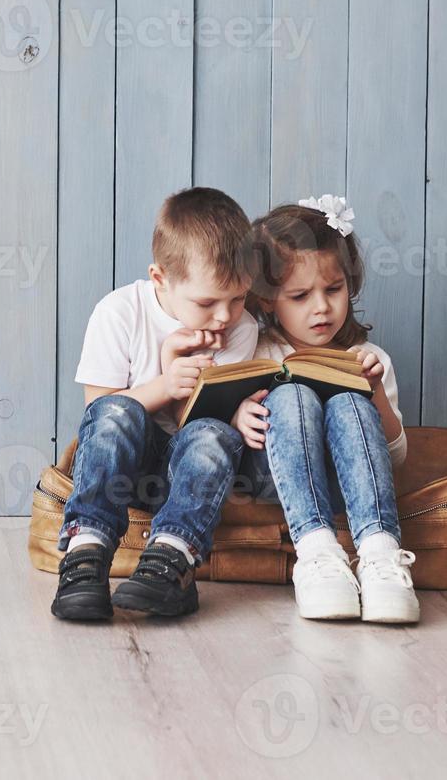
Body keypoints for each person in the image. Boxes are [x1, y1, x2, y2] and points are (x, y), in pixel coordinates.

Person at [51, 187, 259, 620]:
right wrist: (166, 382)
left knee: (214, 432)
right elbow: (100, 411)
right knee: (116, 413)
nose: (225, 316)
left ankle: (171, 559)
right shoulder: (120, 312)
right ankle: (85, 550)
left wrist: (189, 389)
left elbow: (206, 431)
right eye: (207, 302)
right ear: (160, 278)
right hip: (125, 471)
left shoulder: (241, 329)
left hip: (195, 476)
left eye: (238, 298)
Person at [231, 195, 420, 624]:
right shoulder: (254, 352)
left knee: (350, 399)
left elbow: (396, 456)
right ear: (266, 300)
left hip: (350, 491)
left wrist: (374, 394)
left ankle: (379, 555)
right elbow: (224, 427)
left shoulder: (367, 357)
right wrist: (238, 414)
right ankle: (316, 555)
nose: (321, 307)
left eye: (333, 290)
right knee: (291, 393)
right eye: (300, 296)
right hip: (273, 484)